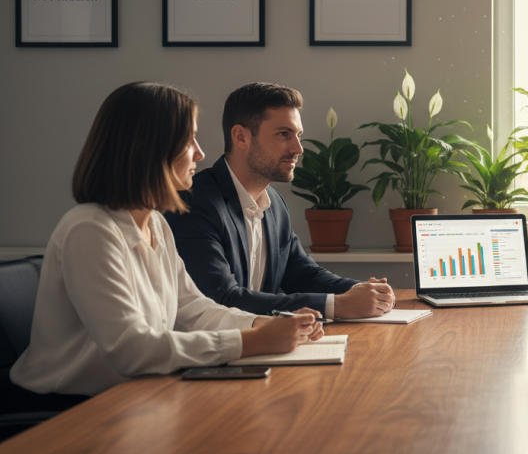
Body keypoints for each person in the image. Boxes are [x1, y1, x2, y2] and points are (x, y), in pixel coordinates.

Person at [9, 82, 321, 402]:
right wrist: (253, 341)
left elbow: (194, 311)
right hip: (66, 411)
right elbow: (133, 350)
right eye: (189, 141)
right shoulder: (89, 230)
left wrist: (264, 325)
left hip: (136, 396)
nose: (200, 153)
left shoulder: (156, 223)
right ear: (148, 149)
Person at [165, 82, 395, 319]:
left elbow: (303, 275)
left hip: (265, 347)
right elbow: (221, 300)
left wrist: (361, 291)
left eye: (298, 135)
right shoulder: (195, 203)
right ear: (241, 137)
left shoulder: (273, 203)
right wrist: (338, 305)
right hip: (220, 351)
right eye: (283, 134)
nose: (298, 148)